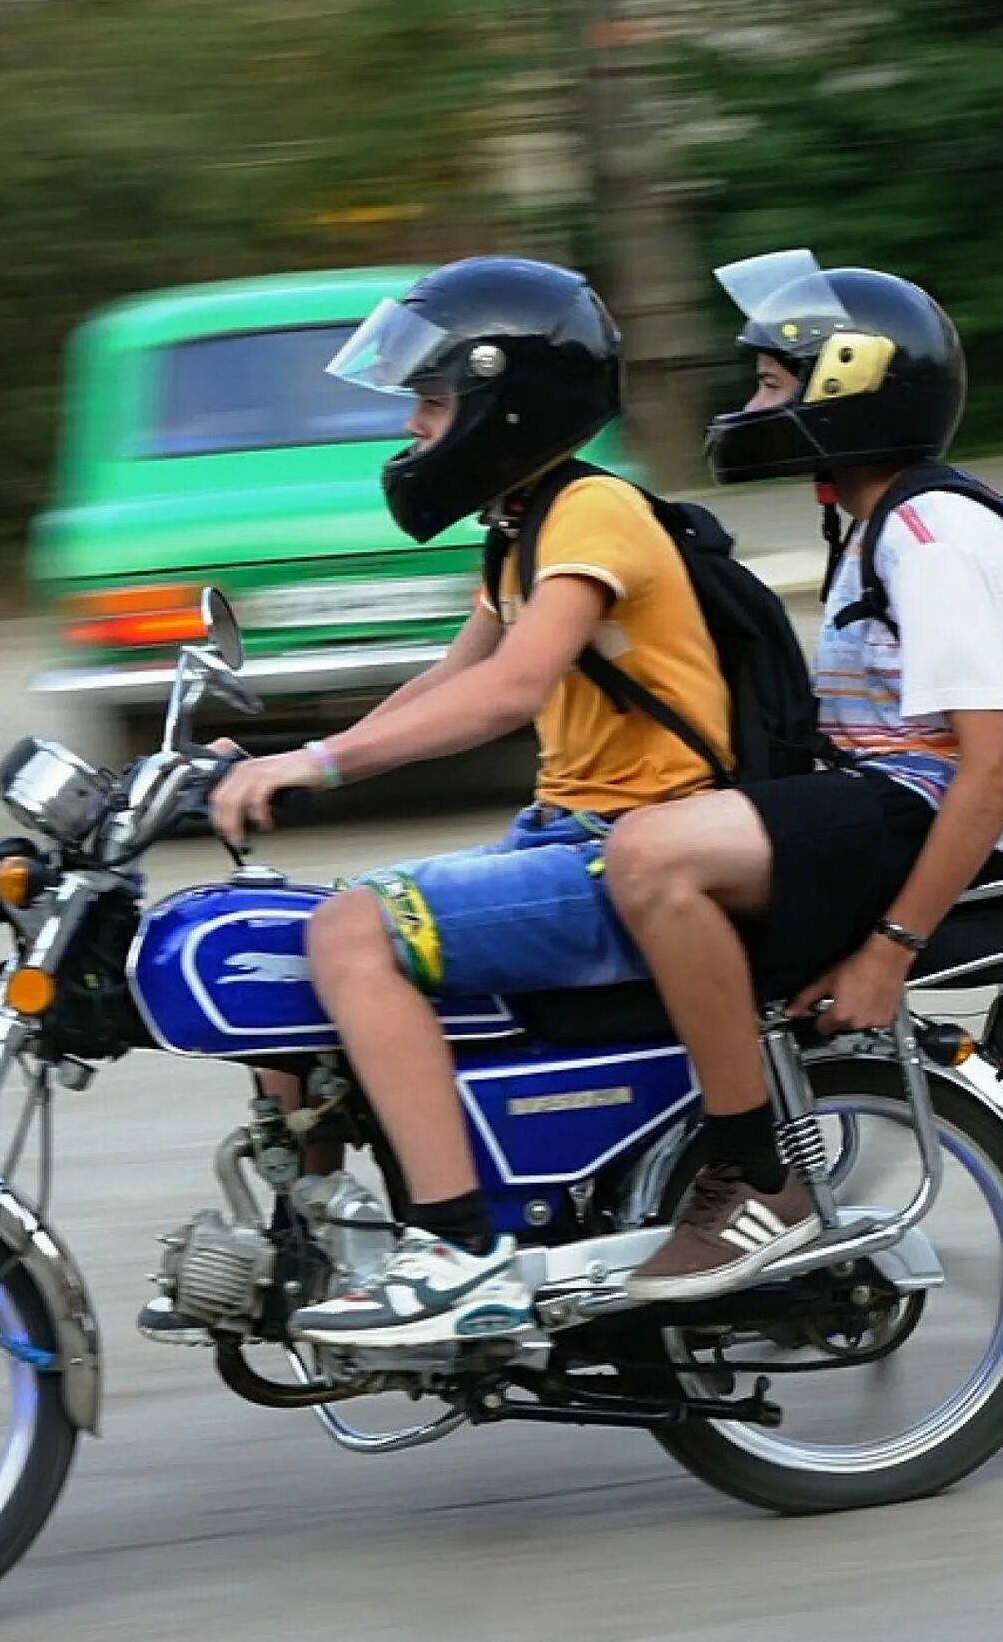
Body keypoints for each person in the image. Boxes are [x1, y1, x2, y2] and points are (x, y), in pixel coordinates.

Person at [197, 255, 732, 1351]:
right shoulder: (523, 527)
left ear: (508, 403)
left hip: (631, 856)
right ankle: (318, 1219)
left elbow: (510, 689)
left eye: (434, 404)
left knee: (353, 933)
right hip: (567, 837)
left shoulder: (596, 513)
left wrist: (323, 771)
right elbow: (449, 675)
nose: (415, 430)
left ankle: (458, 1251)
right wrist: (287, 753)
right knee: (294, 942)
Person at [601, 250, 1003, 1303]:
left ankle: (759, 1177)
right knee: (631, 836)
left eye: (772, 382)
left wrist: (887, 956)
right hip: (886, 808)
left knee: (652, 858)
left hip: (919, 818)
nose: (751, 404)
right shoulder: (882, 525)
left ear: (850, 388)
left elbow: (992, 768)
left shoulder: (930, 537)